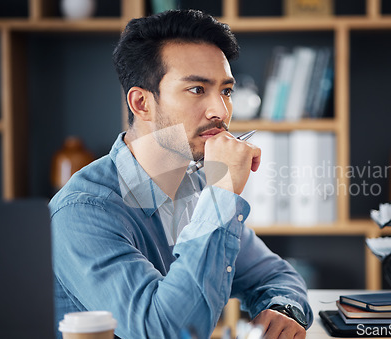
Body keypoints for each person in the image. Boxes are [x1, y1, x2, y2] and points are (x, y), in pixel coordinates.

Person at [50, 9, 313, 338]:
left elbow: (275, 274)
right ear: (141, 103)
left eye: (226, 91)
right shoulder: (83, 211)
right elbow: (166, 330)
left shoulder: (196, 186)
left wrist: (282, 308)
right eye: (197, 90)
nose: (220, 110)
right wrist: (222, 192)